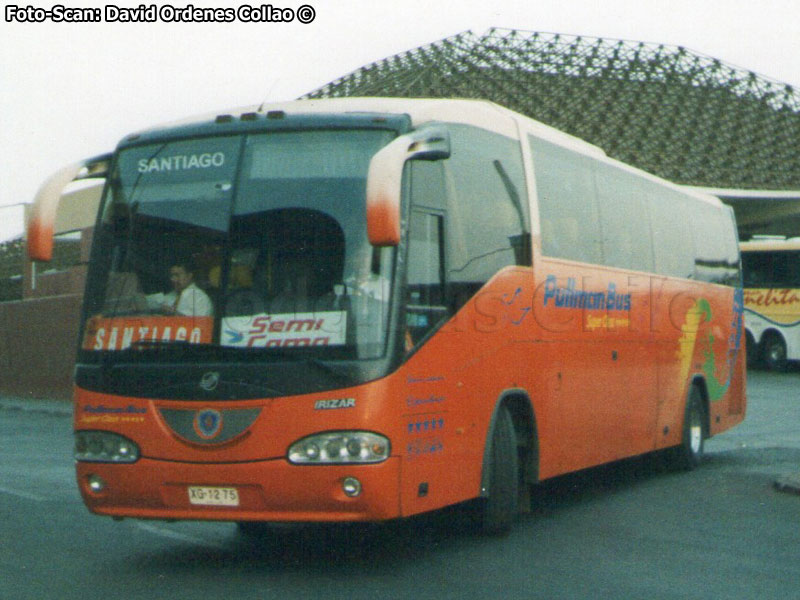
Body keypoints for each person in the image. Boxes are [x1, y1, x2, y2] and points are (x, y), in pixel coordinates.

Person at [146, 261, 213, 317]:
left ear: (189, 276)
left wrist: (173, 314)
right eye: (172, 276)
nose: (173, 279)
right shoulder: (171, 296)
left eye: (177, 275)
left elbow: (200, 325)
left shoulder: (200, 298)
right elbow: (147, 302)